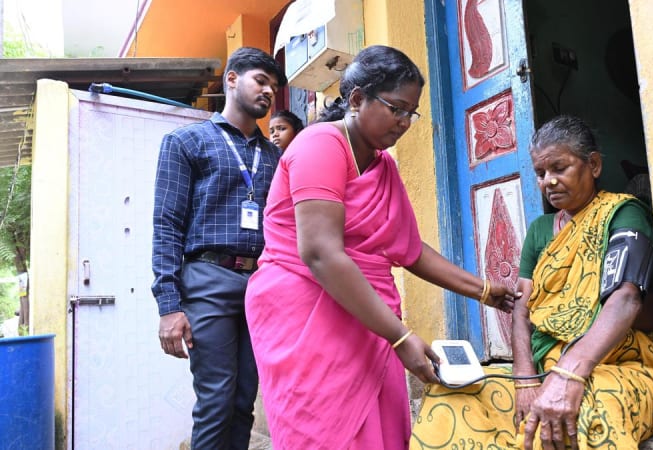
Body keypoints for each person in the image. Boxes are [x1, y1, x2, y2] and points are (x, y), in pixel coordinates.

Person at [244, 45, 519, 449]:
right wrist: (401, 337)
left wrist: (482, 291)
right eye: (397, 109)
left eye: (412, 112)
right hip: (307, 315)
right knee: (324, 432)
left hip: (369, 318)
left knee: (381, 432)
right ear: (356, 100)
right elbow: (320, 253)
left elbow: (408, 250)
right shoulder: (319, 146)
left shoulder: (381, 165)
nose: (405, 122)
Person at [410, 115, 653, 449]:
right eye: (540, 173)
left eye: (559, 169)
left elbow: (625, 298)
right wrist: (523, 380)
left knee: (579, 412)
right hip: (544, 368)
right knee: (454, 396)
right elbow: (522, 310)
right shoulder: (540, 231)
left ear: (593, 165)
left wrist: (569, 373)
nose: (548, 182)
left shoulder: (623, 214)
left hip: (621, 362)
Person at [151, 46, 286, 450]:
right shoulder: (185, 141)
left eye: (274, 87)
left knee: (244, 400)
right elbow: (166, 224)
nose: (268, 92)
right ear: (232, 79)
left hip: (261, 284)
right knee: (216, 399)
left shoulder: (275, 155)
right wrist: (169, 306)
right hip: (208, 278)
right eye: (260, 81)